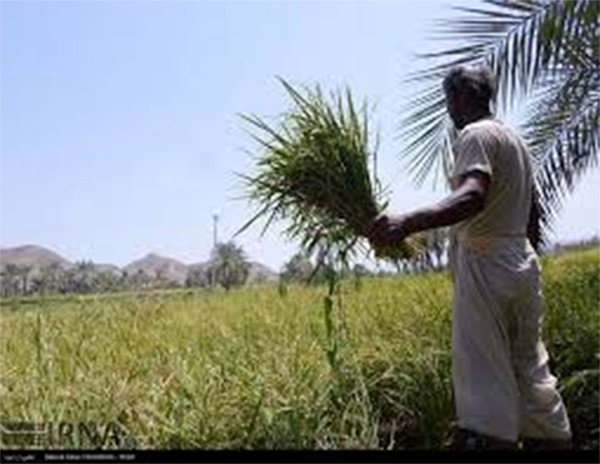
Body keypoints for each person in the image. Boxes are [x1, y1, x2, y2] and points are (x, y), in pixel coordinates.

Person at [367, 65, 572, 450]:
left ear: (458, 98)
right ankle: (555, 441)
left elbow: (473, 195)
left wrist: (407, 222)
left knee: (486, 378)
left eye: (449, 100)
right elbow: (533, 212)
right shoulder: (516, 141)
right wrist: (522, 261)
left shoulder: (475, 135)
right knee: (530, 365)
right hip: (521, 262)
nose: (450, 109)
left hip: (486, 262)